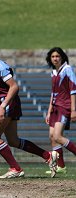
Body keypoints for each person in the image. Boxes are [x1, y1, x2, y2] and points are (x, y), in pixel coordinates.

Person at [0, 34, 59, 178]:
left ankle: (15, 168)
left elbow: (14, 87)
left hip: (7, 102)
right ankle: (48, 156)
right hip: (3, 102)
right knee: (13, 140)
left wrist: (3, 106)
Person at [44, 47, 76, 175]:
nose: (55, 58)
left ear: (62, 57)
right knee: (52, 137)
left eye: (57, 56)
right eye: (53, 57)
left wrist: (73, 110)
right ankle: (61, 166)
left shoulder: (67, 69)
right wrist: (49, 110)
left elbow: (74, 90)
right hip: (55, 108)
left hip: (65, 106)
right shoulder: (54, 72)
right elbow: (53, 93)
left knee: (58, 136)